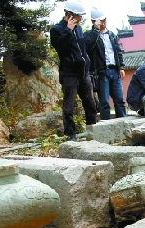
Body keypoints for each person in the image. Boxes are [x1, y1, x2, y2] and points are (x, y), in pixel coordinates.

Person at [50, 0, 97, 141]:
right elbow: (60, 47)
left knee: (90, 103)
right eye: (79, 16)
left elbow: (84, 48)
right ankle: (70, 135)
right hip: (69, 74)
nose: (81, 19)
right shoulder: (57, 29)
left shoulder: (79, 29)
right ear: (70, 14)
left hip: (83, 73)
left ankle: (93, 131)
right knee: (68, 106)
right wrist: (68, 30)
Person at [84, 7, 126, 120]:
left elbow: (118, 51)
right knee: (104, 102)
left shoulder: (111, 34)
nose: (103, 22)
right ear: (94, 21)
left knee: (119, 100)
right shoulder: (90, 35)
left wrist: (121, 67)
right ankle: (106, 127)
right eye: (100, 20)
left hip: (114, 70)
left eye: (104, 19)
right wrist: (96, 30)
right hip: (101, 72)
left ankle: (123, 123)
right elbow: (87, 47)